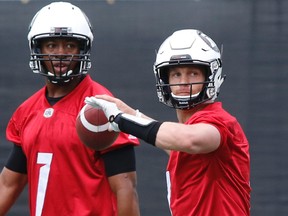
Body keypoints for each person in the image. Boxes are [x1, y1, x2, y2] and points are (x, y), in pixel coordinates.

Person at [85, 29, 251, 215]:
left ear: (211, 76)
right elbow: (179, 144)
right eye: (176, 74)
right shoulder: (185, 134)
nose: (183, 82)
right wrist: (131, 113)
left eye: (193, 73)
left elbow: (191, 140)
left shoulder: (221, 121)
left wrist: (122, 120)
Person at [0, 2, 140, 216]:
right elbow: (8, 184)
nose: (60, 53)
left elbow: (126, 189)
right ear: (37, 48)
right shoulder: (26, 111)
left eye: (69, 45)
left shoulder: (100, 107)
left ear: (82, 49)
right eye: (51, 45)